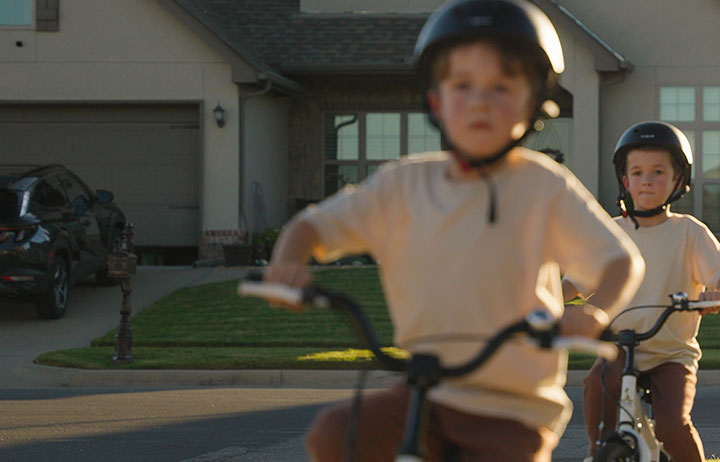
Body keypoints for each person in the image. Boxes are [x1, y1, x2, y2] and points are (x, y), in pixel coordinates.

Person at [260, 1, 644, 460]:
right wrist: (287, 264)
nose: (481, 100)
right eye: (463, 85)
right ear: (435, 100)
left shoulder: (542, 186)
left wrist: (595, 312)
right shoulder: (403, 184)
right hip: (429, 390)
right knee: (336, 434)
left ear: (534, 104)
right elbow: (313, 226)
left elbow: (620, 261)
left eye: (502, 87)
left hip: (514, 406)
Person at [570, 121, 720, 462]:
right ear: (625, 180)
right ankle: (599, 451)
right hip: (619, 347)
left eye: (658, 171)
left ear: (679, 180)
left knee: (671, 426)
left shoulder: (689, 232)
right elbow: (576, 280)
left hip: (671, 354)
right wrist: (542, 300)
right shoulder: (610, 232)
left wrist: (718, 295)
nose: (647, 179)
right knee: (595, 385)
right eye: (637, 171)